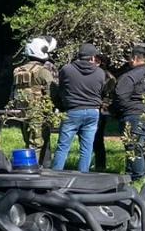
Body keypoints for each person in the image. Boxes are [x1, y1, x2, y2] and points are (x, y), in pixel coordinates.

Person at [52, 44, 113, 173]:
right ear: (93, 57)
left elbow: (61, 88)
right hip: (93, 112)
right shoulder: (100, 72)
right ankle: (83, 176)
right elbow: (101, 91)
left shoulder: (66, 69)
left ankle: (56, 174)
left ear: (78, 55)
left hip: (73, 110)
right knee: (87, 148)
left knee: (63, 147)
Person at [113, 44, 145, 183]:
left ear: (134, 58)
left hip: (134, 116)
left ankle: (136, 178)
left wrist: (122, 112)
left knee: (134, 148)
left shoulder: (129, 76)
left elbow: (119, 97)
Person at [8, 37, 59, 165]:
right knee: (37, 143)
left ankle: (28, 164)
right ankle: (32, 167)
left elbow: (13, 91)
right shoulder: (43, 71)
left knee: (28, 141)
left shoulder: (18, 70)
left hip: (21, 111)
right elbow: (52, 92)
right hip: (38, 112)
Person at [93, 53, 117, 171]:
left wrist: (104, 106)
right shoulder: (102, 75)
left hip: (100, 110)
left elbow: (108, 95)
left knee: (97, 139)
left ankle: (100, 165)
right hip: (98, 109)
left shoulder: (107, 76)